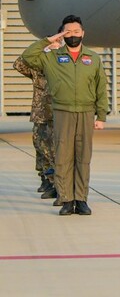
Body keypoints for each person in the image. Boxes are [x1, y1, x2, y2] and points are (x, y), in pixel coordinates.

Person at [22, 15, 108, 216]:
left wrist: (101, 116)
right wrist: (48, 41)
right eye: (68, 32)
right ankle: (66, 200)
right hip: (62, 112)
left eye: (76, 32)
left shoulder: (93, 58)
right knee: (63, 158)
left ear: (83, 33)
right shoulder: (51, 57)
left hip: (86, 112)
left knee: (83, 158)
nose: (73, 36)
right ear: (62, 34)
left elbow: (101, 88)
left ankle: (81, 199)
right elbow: (27, 57)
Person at [13, 56, 56, 199]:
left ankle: (54, 182)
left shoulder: (63, 68)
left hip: (57, 115)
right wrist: (42, 45)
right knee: (39, 145)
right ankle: (44, 177)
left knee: (53, 149)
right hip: (40, 114)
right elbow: (18, 64)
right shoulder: (38, 69)